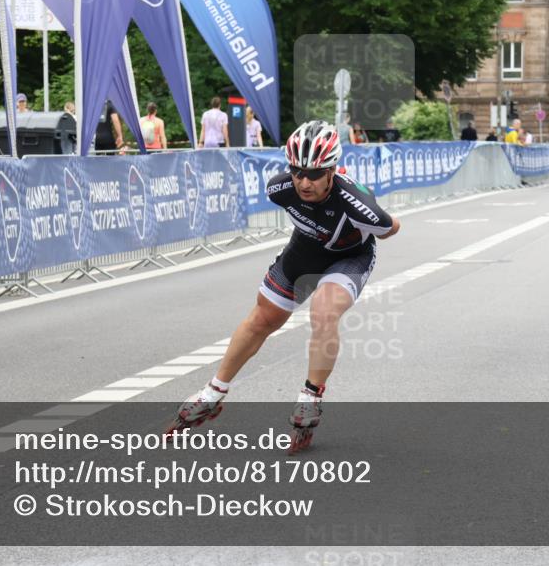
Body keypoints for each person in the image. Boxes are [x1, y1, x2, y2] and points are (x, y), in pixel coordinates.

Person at [167, 120, 401, 453]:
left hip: (349, 257)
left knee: (323, 312)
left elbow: (392, 228)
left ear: (331, 171)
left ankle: (310, 398)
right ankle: (214, 392)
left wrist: (365, 226)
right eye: (297, 172)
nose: (304, 182)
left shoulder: (356, 202)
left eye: (314, 174)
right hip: (304, 251)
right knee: (263, 319)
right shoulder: (279, 189)